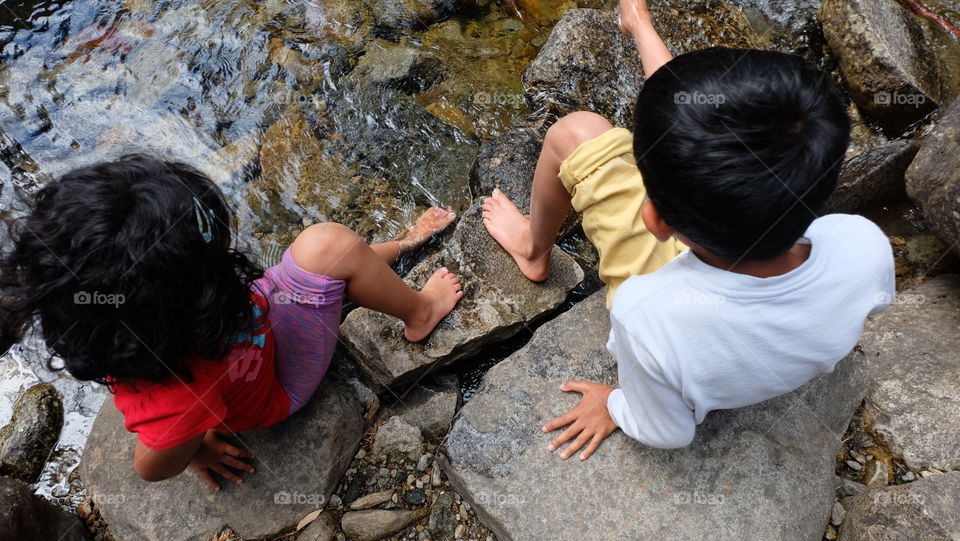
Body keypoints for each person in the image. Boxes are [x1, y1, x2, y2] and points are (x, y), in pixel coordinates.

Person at [482, 0, 895, 460]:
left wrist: (616, 405)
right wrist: (641, 28)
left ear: (655, 220)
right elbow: (693, 116)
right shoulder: (864, 244)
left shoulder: (647, 314)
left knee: (575, 132)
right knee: (695, 126)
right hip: (741, 248)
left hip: (673, 283)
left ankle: (533, 249)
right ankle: (638, 23)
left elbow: (669, 431)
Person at [0, 155, 464, 489]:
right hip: (279, 380)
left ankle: (403, 245)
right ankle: (420, 311)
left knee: (329, 251)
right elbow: (150, 466)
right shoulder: (177, 395)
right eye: (217, 258)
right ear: (196, 296)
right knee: (326, 246)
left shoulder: (126, 325)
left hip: (250, 327)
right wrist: (196, 445)